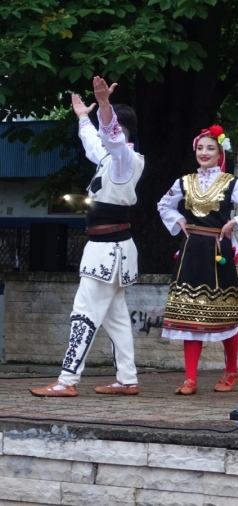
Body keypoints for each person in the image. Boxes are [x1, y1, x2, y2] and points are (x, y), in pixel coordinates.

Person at [31, 77, 144, 397]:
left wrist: (105, 106)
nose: (104, 129)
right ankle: (127, 378)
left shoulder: (124, 159)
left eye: (109, 124)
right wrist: (83, 117)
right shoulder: (110, 159)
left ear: (121, 130)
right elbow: (94, 142)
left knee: (84, 311)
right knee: (117, 317)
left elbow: (109, 139)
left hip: (108, 250)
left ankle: (67, 380)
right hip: (110, 248)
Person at [157, 125, 238, 395]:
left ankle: (232, 371)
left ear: (220, 152)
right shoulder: (184, 182)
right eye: (200, 148)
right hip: (191, 249)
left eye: (210, 148)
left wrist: (234, 222)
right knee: (189, 312)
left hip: (218, 251)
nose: (204, 153)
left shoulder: (232, 183)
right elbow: (163, 204)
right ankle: (190, 378)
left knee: (225, 312)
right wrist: (178, 219)